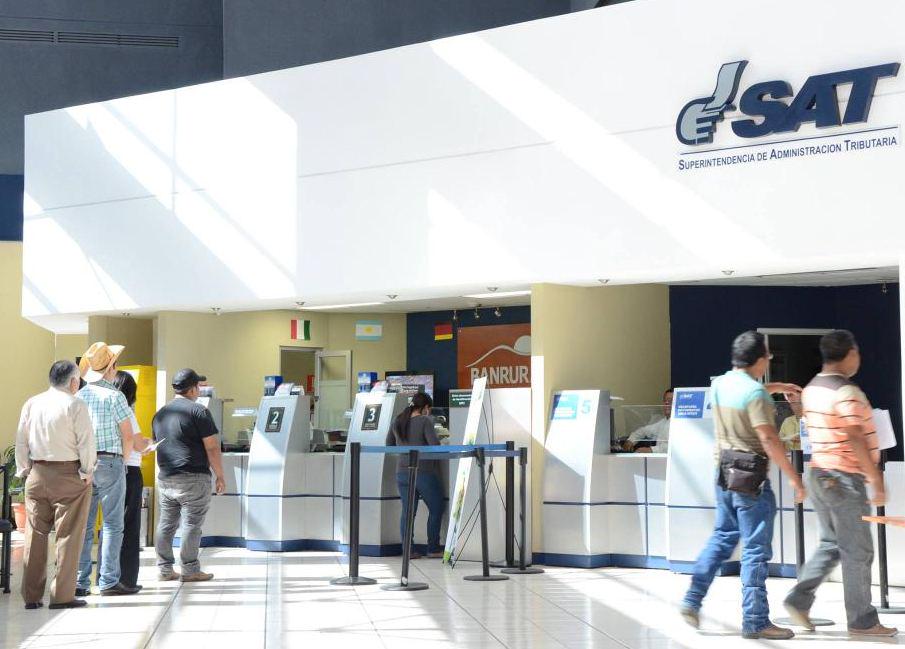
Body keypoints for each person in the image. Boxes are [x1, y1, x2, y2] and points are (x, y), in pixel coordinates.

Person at [679, 331, 805, 640]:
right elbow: (769, 438)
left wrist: (777, 387)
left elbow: (748, 391)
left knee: (722, 537)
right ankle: (756, 619)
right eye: (768, 357)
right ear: (760, 360)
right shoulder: (755, 394)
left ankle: (692, 599)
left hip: (724, 473)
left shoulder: (720, 384)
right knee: (755, 550)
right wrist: (793, 477)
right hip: (752, 480)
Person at [784, 330, 896, 637]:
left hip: (819, 472)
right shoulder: (846, 391)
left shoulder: (812, 388)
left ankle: (799, 600)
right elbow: (854, 434)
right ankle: (862, 620)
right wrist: (875, 477)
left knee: (831, 544)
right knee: (858, 551)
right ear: (850, 353)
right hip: (844, 477)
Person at [15, 360, 96, 610]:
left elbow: (21, 441)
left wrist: (24, 470)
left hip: (37, 473)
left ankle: (31, 596)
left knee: (35, 535)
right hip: (69, 474)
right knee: (68, 536)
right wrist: (87, 471)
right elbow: (86, 442)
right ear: (73, 382)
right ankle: (62, 596)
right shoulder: (76, 404)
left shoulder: (32, 403)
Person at [75, 342, 138, 596]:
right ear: (111, 368)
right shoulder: (116, 396)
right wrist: (123, 460)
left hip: (84, 464)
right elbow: (128, 435)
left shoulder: (79, 397)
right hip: (111, 461)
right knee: (112, 523)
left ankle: (80, 582)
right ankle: (109, 580)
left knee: (85, 524)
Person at [153, 368, 225, 582]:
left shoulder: (160, 414)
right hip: (193, 477)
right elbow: (212, 447)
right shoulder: (199, 411)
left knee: (166, 524)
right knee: (192, 524)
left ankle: (165, 570)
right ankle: (190, 569)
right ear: (193, 389)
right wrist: (220, 475)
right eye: (198, 386)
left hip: (166, 477)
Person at [385, 392, 445, 558]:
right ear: (425, 407)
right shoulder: (425, 421)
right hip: (423, 471)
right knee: (436, 507)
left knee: (408, 512)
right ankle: (433, 548)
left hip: (402, 472)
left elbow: (389, 444)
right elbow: (434, 445)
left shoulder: (397, 420)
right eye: (429, 408)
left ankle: (408, 550)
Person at [113, 370, 151, 590]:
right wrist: (148, 444)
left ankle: (107, 577)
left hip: (108, 469)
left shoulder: (106, 409)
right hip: (129, 471)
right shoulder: (126, 411)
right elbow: (136, 443)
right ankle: (126, 578)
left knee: (111, 525)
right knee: (129, 524)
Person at [624, 389, 674, 453]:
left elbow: (675, 447)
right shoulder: (663, 422)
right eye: (665, 400)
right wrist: (630, 440)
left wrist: (651, 450)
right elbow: (644, 431)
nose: (666, 403)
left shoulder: (681, 424)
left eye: (670, 400)